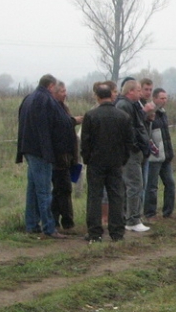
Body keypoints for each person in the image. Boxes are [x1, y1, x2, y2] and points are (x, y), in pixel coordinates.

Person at [16, 73, 68, 238]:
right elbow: (59, 125)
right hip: (42, 151)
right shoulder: (47, 101)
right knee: (45, 191)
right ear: (51, 86)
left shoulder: (28, 98)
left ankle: (31, 224)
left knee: (32, 190)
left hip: (28, 149)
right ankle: (49, 227)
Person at [80, 83, 133, 243]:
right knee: (116, 196)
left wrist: (87, 158)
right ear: (111, 96)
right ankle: (117, 232)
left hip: (96, 162)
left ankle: (95, 232)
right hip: (116, 162)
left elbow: (85, 141)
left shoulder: (90, 115)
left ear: (97, 97)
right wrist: (123, 159)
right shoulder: (123, 116)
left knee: (95, 196)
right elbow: (128, 142)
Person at [116, 79, 151, 232]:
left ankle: (128, 217)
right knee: (135, 184)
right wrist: (136, 147)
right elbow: (128, 129)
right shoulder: (124, 105)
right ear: (130, 91)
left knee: (131, 185)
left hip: (135, 151)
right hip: (130, 152)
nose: (140, 93)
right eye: (138, 90)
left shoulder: (133, 105)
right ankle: (132, 220)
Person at [50, 80, 82, 231]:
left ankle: (60, 221)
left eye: (65, 90)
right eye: (62, 91)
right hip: (58, 157)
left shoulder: (64, 107)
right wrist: (74, 121)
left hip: (68, 156)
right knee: (62, 189)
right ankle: (64, 222)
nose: (65, 93)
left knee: (61, 189)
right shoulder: (52, 108)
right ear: (54, 93)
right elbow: (60, 127)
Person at [144, 88, 176, 220]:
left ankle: (168, 212)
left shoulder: (163, 113)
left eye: (166, 98)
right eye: (162, 98)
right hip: (154, 157)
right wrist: (153, 149)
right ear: (155, 98)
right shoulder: (149, 113)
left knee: (170, 184)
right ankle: (150, 213)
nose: (164, 101)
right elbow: (147, 134)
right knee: (152, 186)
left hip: (166, 156)